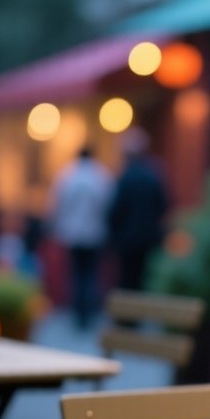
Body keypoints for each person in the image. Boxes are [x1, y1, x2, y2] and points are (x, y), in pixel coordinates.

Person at [51, 148, 115, 329]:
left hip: (72, 233)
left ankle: (77, 312)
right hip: (95, 233)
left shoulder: (68, 175)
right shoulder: (101, 176)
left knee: (76, 274)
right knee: (91, 274)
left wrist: (57, 227)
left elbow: (58, 204)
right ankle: (89, 311)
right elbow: (108, 204)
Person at [108, 134, 170, 291]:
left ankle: (129, 306)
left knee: (127, 278)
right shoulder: (153, 175)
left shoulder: (126, 177)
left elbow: (116, 209)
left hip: (127, 238)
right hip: (149, 237)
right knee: (145, 278)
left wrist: (113, 233)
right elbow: (163, 204)